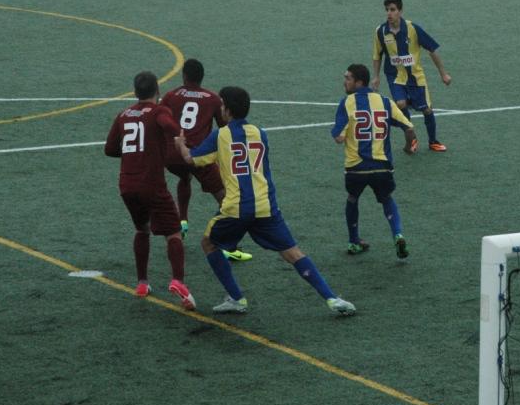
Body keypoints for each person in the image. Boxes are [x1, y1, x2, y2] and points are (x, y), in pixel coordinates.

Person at [175, 86, 355, 316]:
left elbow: (192, 160)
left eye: (222, 105)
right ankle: (332, 299)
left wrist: (180, 143)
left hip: (236, 208)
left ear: (227, 110)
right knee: (292, 253)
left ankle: (236, 298)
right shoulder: (261, 133)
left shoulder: (220, 135)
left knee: (208, 243)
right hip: (265, 205)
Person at [104, 71, 196, 311]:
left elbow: (110, 149)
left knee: (141, 228)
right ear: (158, 91)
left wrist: (134, 152)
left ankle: (142, 283)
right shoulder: (159, 111)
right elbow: (167, 124)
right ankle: (178, 281)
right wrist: (179, 138)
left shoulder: (123, 114)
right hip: (151, 184)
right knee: (174, 232)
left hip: (126, 185)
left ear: (135, 92)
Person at [160, 58, 251, 262]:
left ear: (184, 76)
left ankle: (182, 220)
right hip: (197, 156)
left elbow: (160, 120)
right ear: (201, 77)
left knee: (184, 177)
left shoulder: (171, 95)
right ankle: (229, 247)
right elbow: (224, 127)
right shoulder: (212, 98)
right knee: (226, 199)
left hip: (172, 155)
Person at [331, 64, 417, 258]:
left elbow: (338, 137)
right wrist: (408, 147)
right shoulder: (385, 101)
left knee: (352, 199)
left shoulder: (347, 102)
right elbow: (409, 129)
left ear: (359, 82)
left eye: (348, 78)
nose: (344, 81)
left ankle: (354, 242)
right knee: (387, 199)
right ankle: (397, 234)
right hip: (382, 167)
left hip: (356, 168)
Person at [371, 0, 452, 152]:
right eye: (387, 10)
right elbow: (377, 55)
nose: (389, 13)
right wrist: (376, 76)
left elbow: (432, 49)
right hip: (394, 76)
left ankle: (433, 141)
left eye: (393, 10)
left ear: (400, 11)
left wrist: (444, 74)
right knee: (400, 104)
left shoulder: (413, 29)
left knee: (426, 110)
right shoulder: (380, 31)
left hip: (415, 77)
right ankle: (412, 138)